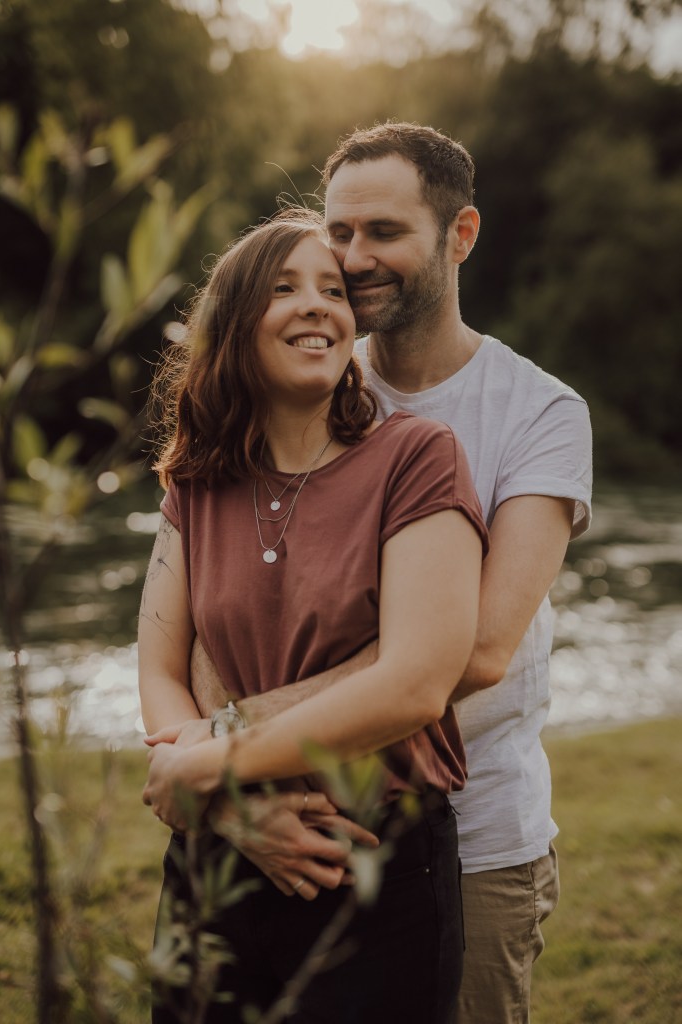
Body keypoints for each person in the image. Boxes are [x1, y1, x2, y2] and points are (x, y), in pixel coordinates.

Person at [190, 123, 593, 1023]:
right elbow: (217, 598)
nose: (354, 257)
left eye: (384, 232)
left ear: (460, 236)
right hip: (277, 817)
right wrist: (233, 795)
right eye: (339, 232)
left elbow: (479, 652)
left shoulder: (540, 414)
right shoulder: (304, 371)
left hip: (471, 838)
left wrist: (224, 741)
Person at [139, 207, 488, 1023]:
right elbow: (159, 669)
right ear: (232, 324)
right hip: (218, 855)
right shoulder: (194, 482)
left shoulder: (417, 456)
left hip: (370, 861)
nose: (318, 306)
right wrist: (231, 810)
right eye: (285, 288)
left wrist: (214, 766)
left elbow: (416, 683)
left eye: (332, 291)